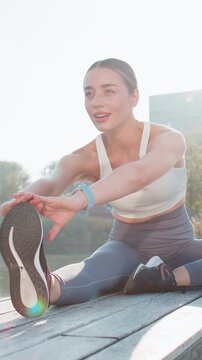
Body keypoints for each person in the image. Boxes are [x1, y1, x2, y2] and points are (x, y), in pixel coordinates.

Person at [0, 58, 202, 318]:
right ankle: (43, 286)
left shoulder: (168, 140)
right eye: (89, 93)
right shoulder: (86, 157)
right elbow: (52, 181)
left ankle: (167, 277)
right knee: (91, 270)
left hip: (180, 245)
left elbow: (137, 174)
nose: (96, 101)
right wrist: (23, 201)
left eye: (109, 90)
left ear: (134, 97)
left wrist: (79, 200)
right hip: (125, 246)